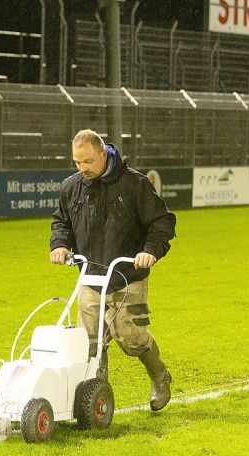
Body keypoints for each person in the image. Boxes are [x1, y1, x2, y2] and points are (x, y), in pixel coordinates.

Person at [49, 129, 177, 411]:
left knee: (131, 340)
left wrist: (150, 251)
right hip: (90, 277)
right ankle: (97, 404)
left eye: (88, 162)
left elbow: (163, 222)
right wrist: (60, 244)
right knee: (89, 346)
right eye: (77, 163)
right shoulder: (72, 187)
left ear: (103, 154)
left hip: (126, 277)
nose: (83, 169)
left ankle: (159, 376)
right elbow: (61, 223)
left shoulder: (135, 185)